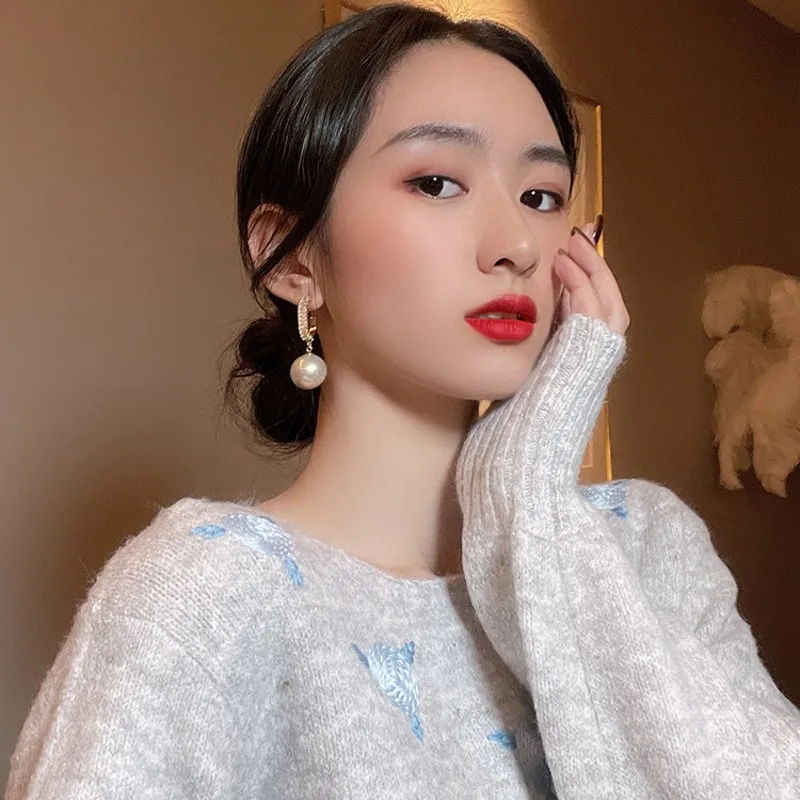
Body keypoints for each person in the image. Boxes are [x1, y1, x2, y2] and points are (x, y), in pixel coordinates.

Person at [6, 4, 799, 799]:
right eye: (437, 182)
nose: (516, 245)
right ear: (291, 259)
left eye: (542, 196)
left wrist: (524, 491)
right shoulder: (204, 593)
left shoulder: (647, 544)